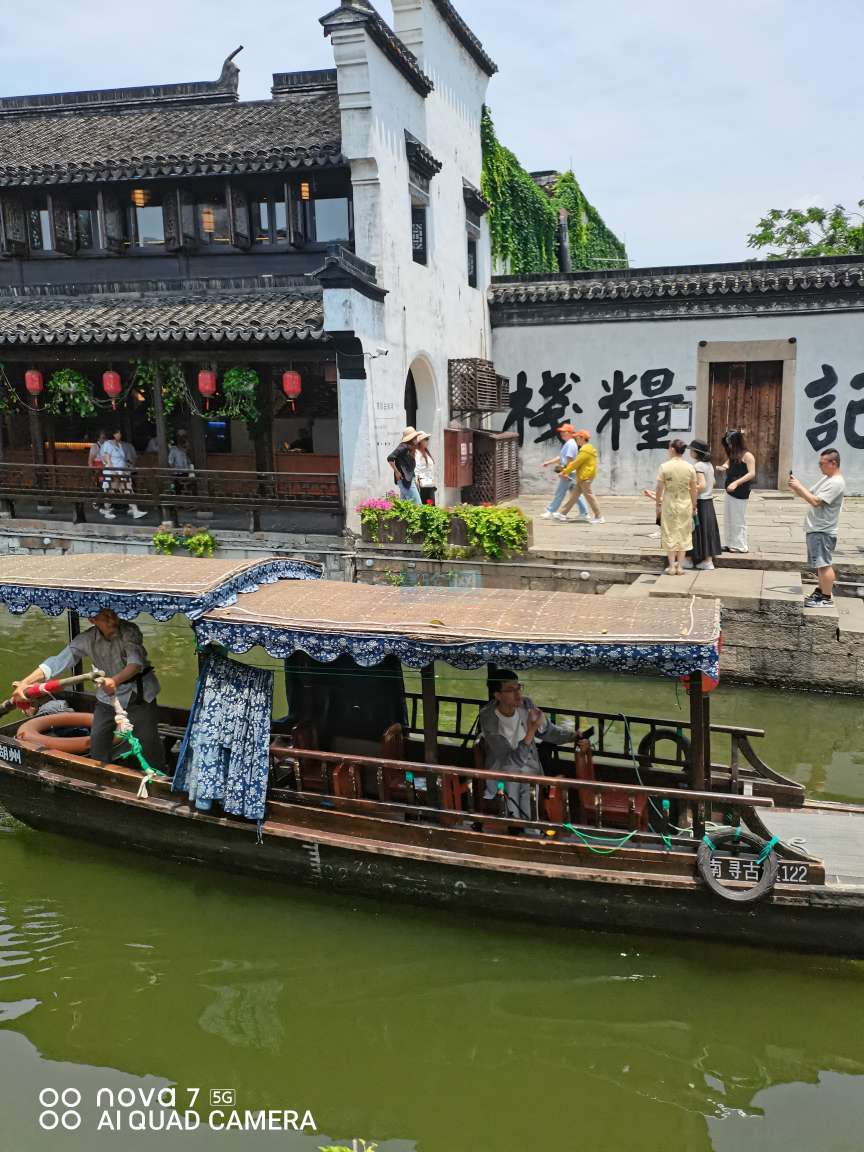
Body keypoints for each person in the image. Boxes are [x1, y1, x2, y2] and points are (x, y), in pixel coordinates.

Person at [12, 608, 165, 771]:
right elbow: (57, 661)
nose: (111, 620)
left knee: (147, 742)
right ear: (92, 620)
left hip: (138, 695)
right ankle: (103, 775)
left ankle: (159, 776)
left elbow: (135, 664)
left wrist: (115, 681)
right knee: (98, 740)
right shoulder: (86, 639)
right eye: (104, 617)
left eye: (112, 614)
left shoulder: (129, 631)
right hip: (106, 698)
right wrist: (25, 683)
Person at [478, 670, 580, 827]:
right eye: (511, 690)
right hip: (502, 772)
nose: (517, 693)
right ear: (497, 695)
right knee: (514, 782)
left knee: (528, 780)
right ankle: (517, 827)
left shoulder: (526, 705)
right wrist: (531, 731)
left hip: (529, 771)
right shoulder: (488, 718)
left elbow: (547, 730)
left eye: (519, 687)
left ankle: (529, 829)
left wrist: (573, 736)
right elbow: (509, 763)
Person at [789, 448, 846, 608]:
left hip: (823, 530)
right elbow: (810, 494)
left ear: (833, 463)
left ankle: (826, 598)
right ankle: (821, 591)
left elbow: (816, 502)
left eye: (822, 463)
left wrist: (798, 487)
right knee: (820, 565)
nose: (819, 466)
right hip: (816, 529)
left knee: (824, 564)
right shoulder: (827, 478)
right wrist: (797, 487)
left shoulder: (836, 482)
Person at [655, 439, 698, 575]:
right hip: (685, 503)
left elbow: (659, 488)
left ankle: (672, 566)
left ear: (673, 449)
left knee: (669, 532)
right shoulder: (690, 467)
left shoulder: (664, 467)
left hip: (669, 503)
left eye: (669, 448)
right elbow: (694, 489)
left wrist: (657, 503)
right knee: (684, 533)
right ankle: (680, 566)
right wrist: (694, 505)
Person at [684, 438, 722, 571]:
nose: (690, 452)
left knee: (695, 531)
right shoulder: (709, 465)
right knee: (707, 531)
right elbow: (713, 482)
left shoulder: (698, 466)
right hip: (708, 501)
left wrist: (687, 488)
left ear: (696, 452)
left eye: (691, 450)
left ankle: (689, 560)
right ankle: (708, 561)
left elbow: (702, 485)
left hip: (700, 501)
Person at [718, 429, 756, 553]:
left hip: (740, 491)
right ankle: (730, 543)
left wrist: (736, 483)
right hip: (729, 490)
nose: (729, 445)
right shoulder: (734, 454)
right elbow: (728, 462)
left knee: (738, 518)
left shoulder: (747, 455)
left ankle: (741, 545)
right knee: (729, 518)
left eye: (730, 443)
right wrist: (724, 466)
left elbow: (751, 473)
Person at [540, 424, 588, 521]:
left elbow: (570, 459)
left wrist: (566, 472)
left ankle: (551, 511)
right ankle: (584, 513)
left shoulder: (570, 444)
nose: (562, 433)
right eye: (561, 431)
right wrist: (548, 462)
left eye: (564, 431)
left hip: (569, 472)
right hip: (571, 472)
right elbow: (561, 458)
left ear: (570, 433)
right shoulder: (569, 443)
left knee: (560, 492)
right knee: (576, 494)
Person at [559, 429, 605, 524]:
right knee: (574, 496)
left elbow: (576, 463)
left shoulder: (585, 450)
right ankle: (562, 513)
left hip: (585, 477)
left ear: (582, 438)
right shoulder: (586, 449)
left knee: (589, 497)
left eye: (577, 438)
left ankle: (599, 517)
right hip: (583, 477)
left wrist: (565, 471)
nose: (576, 440)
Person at [101, 429, 146, 520]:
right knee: (111, 491)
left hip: (122, 471)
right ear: (113, 434)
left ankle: (135, 510)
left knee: (128, 489)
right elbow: (107, 458)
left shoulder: (120, 444)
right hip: (113, 472)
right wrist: (113, 471)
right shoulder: (108, 444)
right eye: (118, 433)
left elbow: (121, 459)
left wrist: (126, 468)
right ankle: (106, 510)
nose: (120, 434)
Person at [386, 426, 421, 504]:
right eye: (415, 437)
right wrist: (396, 472)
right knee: (417, 504)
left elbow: (408, 467)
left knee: (404, 506)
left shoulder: (408, 448)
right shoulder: (403, 446)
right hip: (404, 480)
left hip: (408, 480)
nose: (417, 439)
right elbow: (390, 458)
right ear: (411, 438)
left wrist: (414, 479)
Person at [88, 430, 108, 513]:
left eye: (105, 437)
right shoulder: (95, 447)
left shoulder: (106, 445)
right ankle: (96, 502)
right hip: (98, 469)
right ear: (98, 438)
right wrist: (93, 471)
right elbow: (90, 460)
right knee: (100, 485)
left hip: (105, 468)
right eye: (102, 437)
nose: (104, 439)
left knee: (105, 485)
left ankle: (104, 502)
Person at [414, 432, 436, 504]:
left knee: (431, 505)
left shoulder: (426, 452)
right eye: (426, 439)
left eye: (428, 439)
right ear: (420, 441)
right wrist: (416, 480)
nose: (427, 441)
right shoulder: (417, 453)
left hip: (429, 483)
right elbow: (416, 467)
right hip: (422, 484)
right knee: (425, 504)